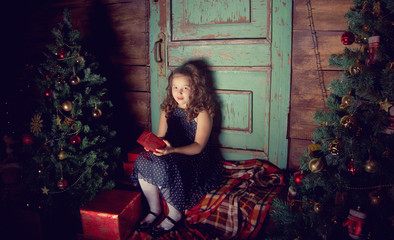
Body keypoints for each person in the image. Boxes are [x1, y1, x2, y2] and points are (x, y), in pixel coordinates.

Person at [131, 61, 222, 237]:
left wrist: (171, 152)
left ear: (195, 89)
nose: (178, 93)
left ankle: (175, 213)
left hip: (194, 158)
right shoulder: (167, 109)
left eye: (185, 88)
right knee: (144, 158)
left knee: (165, 164)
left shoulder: (201, 112)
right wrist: (154, 145)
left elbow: (199, 147)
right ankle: (154, 209)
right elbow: (161, 137)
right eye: (175, 87)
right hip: (171, 151)